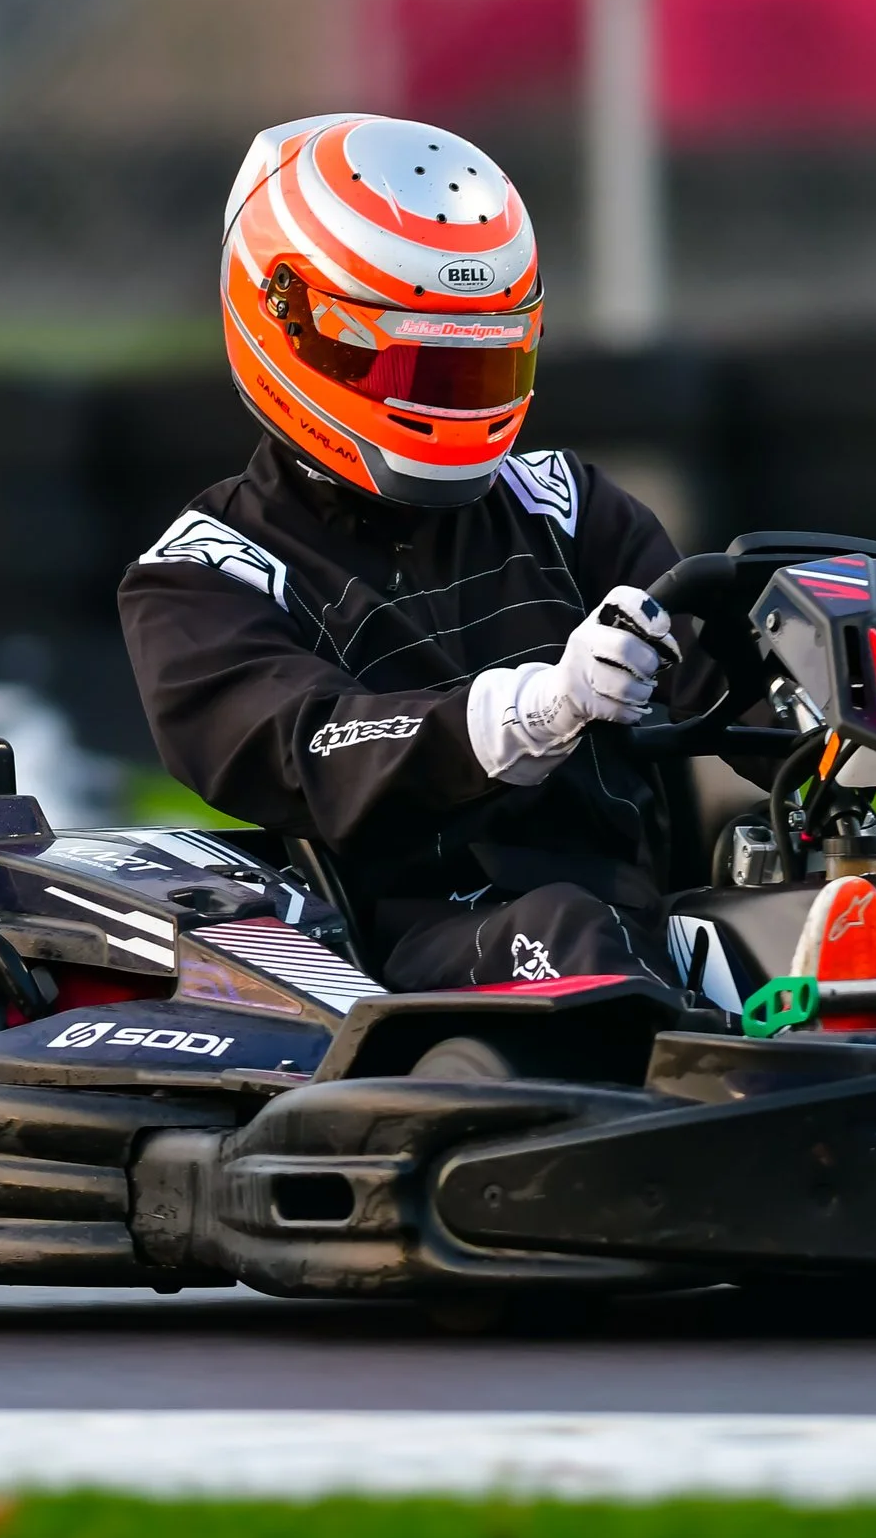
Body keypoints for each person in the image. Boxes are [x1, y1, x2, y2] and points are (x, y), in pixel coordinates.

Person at [120, 114, 724, 992]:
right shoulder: (203, 576)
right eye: (419, 373)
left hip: (644, 919)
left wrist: (836, 694)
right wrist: (538, 707)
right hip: (404, 957)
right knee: (568, 930)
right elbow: (312, 747)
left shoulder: (568, 508)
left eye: (479, 372)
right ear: (294, 325)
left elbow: (721, 677)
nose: (453, 406)